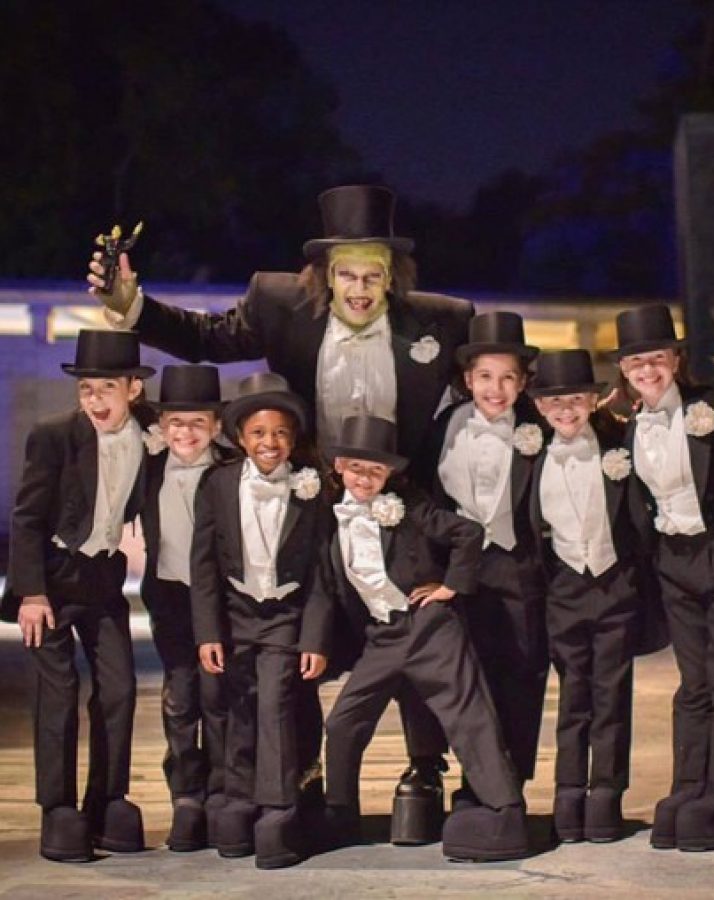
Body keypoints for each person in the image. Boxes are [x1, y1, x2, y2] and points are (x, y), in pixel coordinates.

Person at [87, 184, 470, 839]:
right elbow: (205, 335)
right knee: (301, 649)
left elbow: (493, 385)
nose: (358, 288)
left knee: (410, 634)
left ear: (391, 278)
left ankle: (424, 769)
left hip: (400, 505)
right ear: (323, 276)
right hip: (309, 505)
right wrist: (133, 306)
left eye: (371, 275)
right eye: (346, 274)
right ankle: (301, 775)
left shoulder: (441, 320)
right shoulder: (279, 303)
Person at [316, 414, 528, 862]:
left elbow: (467, 533)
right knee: (342, 722)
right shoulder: (331, 514)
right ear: (338, 467)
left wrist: (450, 587)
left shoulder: (409, 506)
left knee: (468, 718)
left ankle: (504, 807)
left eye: (375, 471)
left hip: (429, 630)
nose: (364, 479)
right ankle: (340, 813)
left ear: (389, 474)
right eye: (356, 468)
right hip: (382, 636)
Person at [613, 304, 714, 852]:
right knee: (693, 684)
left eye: (656, 358)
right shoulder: (630, 428)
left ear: (675, 359)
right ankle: (687, 788)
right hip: (672, 563)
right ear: (625, 371)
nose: (647, 370)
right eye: (636, 362)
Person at [2, 329, 154, 862]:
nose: (93, 401)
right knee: (58, 694)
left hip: (104, 578)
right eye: (86, 390)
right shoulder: (55, 435)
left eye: (104, 389)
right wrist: (32, 593)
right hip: (54, 577)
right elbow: (26, 518)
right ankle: (58, 808)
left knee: (118, 690)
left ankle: (108, 799)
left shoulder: (150, 432)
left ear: (132, 389)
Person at [190, 372, 332, 869]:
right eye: (258, 433)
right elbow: (203, 564)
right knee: (237, 706)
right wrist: (208, 632)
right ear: (240, 438)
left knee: (274, 703)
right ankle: (238, 800)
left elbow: (322, 574)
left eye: (280, 433)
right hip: (235, 614)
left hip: (286, 616)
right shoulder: (218, 483)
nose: (269, 443)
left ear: (293, 439)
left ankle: (278, 809)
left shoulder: (312, 490)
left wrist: (313, 638)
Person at [528, 349, 655, 843]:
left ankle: (605, 794)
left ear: (594, 399)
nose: (566, 410)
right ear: (539, 407)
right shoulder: (531, 455)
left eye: (576, 400)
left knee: (612, 693)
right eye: (555, 402)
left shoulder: (619, 447)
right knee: (573, 695)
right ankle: (566, 792)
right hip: (564, 588)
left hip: (614, 583)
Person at [431, 311, 548, 797]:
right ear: (467, 379)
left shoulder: (539, 427)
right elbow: (426, 497)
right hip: (461, 569)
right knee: (468, 678)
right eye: (484, 377)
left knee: (520, 673)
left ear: (522, 383)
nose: (495, 389)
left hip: (518, 563)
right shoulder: (444, 425)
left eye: (506, 378)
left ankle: (513, 780)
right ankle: (476, 779)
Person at [139, 364, 229, 851]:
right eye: (176, 422)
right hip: (171, 594)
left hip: (221, 599)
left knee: (219, 696)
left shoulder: (233, 469)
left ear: (216, 425)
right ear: (161, 426)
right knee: (179, 698)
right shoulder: (150, 468)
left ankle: (221, 793)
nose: (186, 432)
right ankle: (186, 796)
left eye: (198, 422)